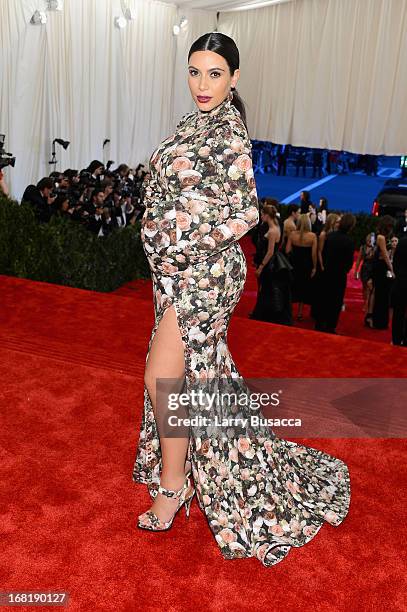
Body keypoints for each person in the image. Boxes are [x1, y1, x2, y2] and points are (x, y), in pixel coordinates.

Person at [132, 32, 350, 568]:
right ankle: (182, 474)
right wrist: (159, 228)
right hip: (176, 270)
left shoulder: (229, 133)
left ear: (233, 78)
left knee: (162, 371)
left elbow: (247, 214)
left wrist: (186, 236)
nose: (201, 84)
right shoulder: (190, 123)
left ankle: (173, 484)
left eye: (213, 74)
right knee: (190, 376)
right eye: (194, 72)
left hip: (205, 272)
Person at [251, 204, 292, 324]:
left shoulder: (273, 231)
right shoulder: (277, 226)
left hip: (269, 265)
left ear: (267, 215)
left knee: (267, 289)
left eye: (263, 214)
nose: (261, 216)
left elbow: (270, 252)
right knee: (266, 289)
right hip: (271, 263)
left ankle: (266, 315)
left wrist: (261, 267)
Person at [314, 214, 356, 333]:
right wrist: (345, 270)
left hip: (326, 272)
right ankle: (330, 326)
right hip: (339, 275)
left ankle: (319, 323)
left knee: (323, 297)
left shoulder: (330, 236)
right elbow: (349, 261)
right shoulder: (349, 241)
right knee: (335, 301)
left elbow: (323, 253)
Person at [285, 214, 317, 321]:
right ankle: (299, 312)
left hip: (294, 264)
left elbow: (287, 250)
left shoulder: (292, 234)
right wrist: (314, 267)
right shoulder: (312, 236)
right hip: (306, 265)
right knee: (303, 287)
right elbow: (313, 255)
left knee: (292, 286)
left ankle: (288, 310)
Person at [370, 216, 395, 329]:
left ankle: (379, 320)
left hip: (381, 266)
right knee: (381, 294)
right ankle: (378, 321)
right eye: (390, 226)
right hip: (381, 268)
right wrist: (391, 268)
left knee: (383, 294)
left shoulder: (382, 236)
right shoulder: (381, 237)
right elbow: (384, 254)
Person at [391, 236, 407, 346]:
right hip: (402, 279)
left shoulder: (402, 241)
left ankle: (396, 339)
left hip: (401, 280)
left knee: (398, 312)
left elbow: (395, 262)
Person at [354, 233, 376, 314]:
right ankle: (365, 302)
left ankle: (368, 304)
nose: (370, 241)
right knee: (364, 288)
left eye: (371, 240)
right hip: (364, 270)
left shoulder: (375, 248)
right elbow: (359, 260)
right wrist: (356, 271)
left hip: (372, 270)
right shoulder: (362, 247)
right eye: (369, 240)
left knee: (369, 287)